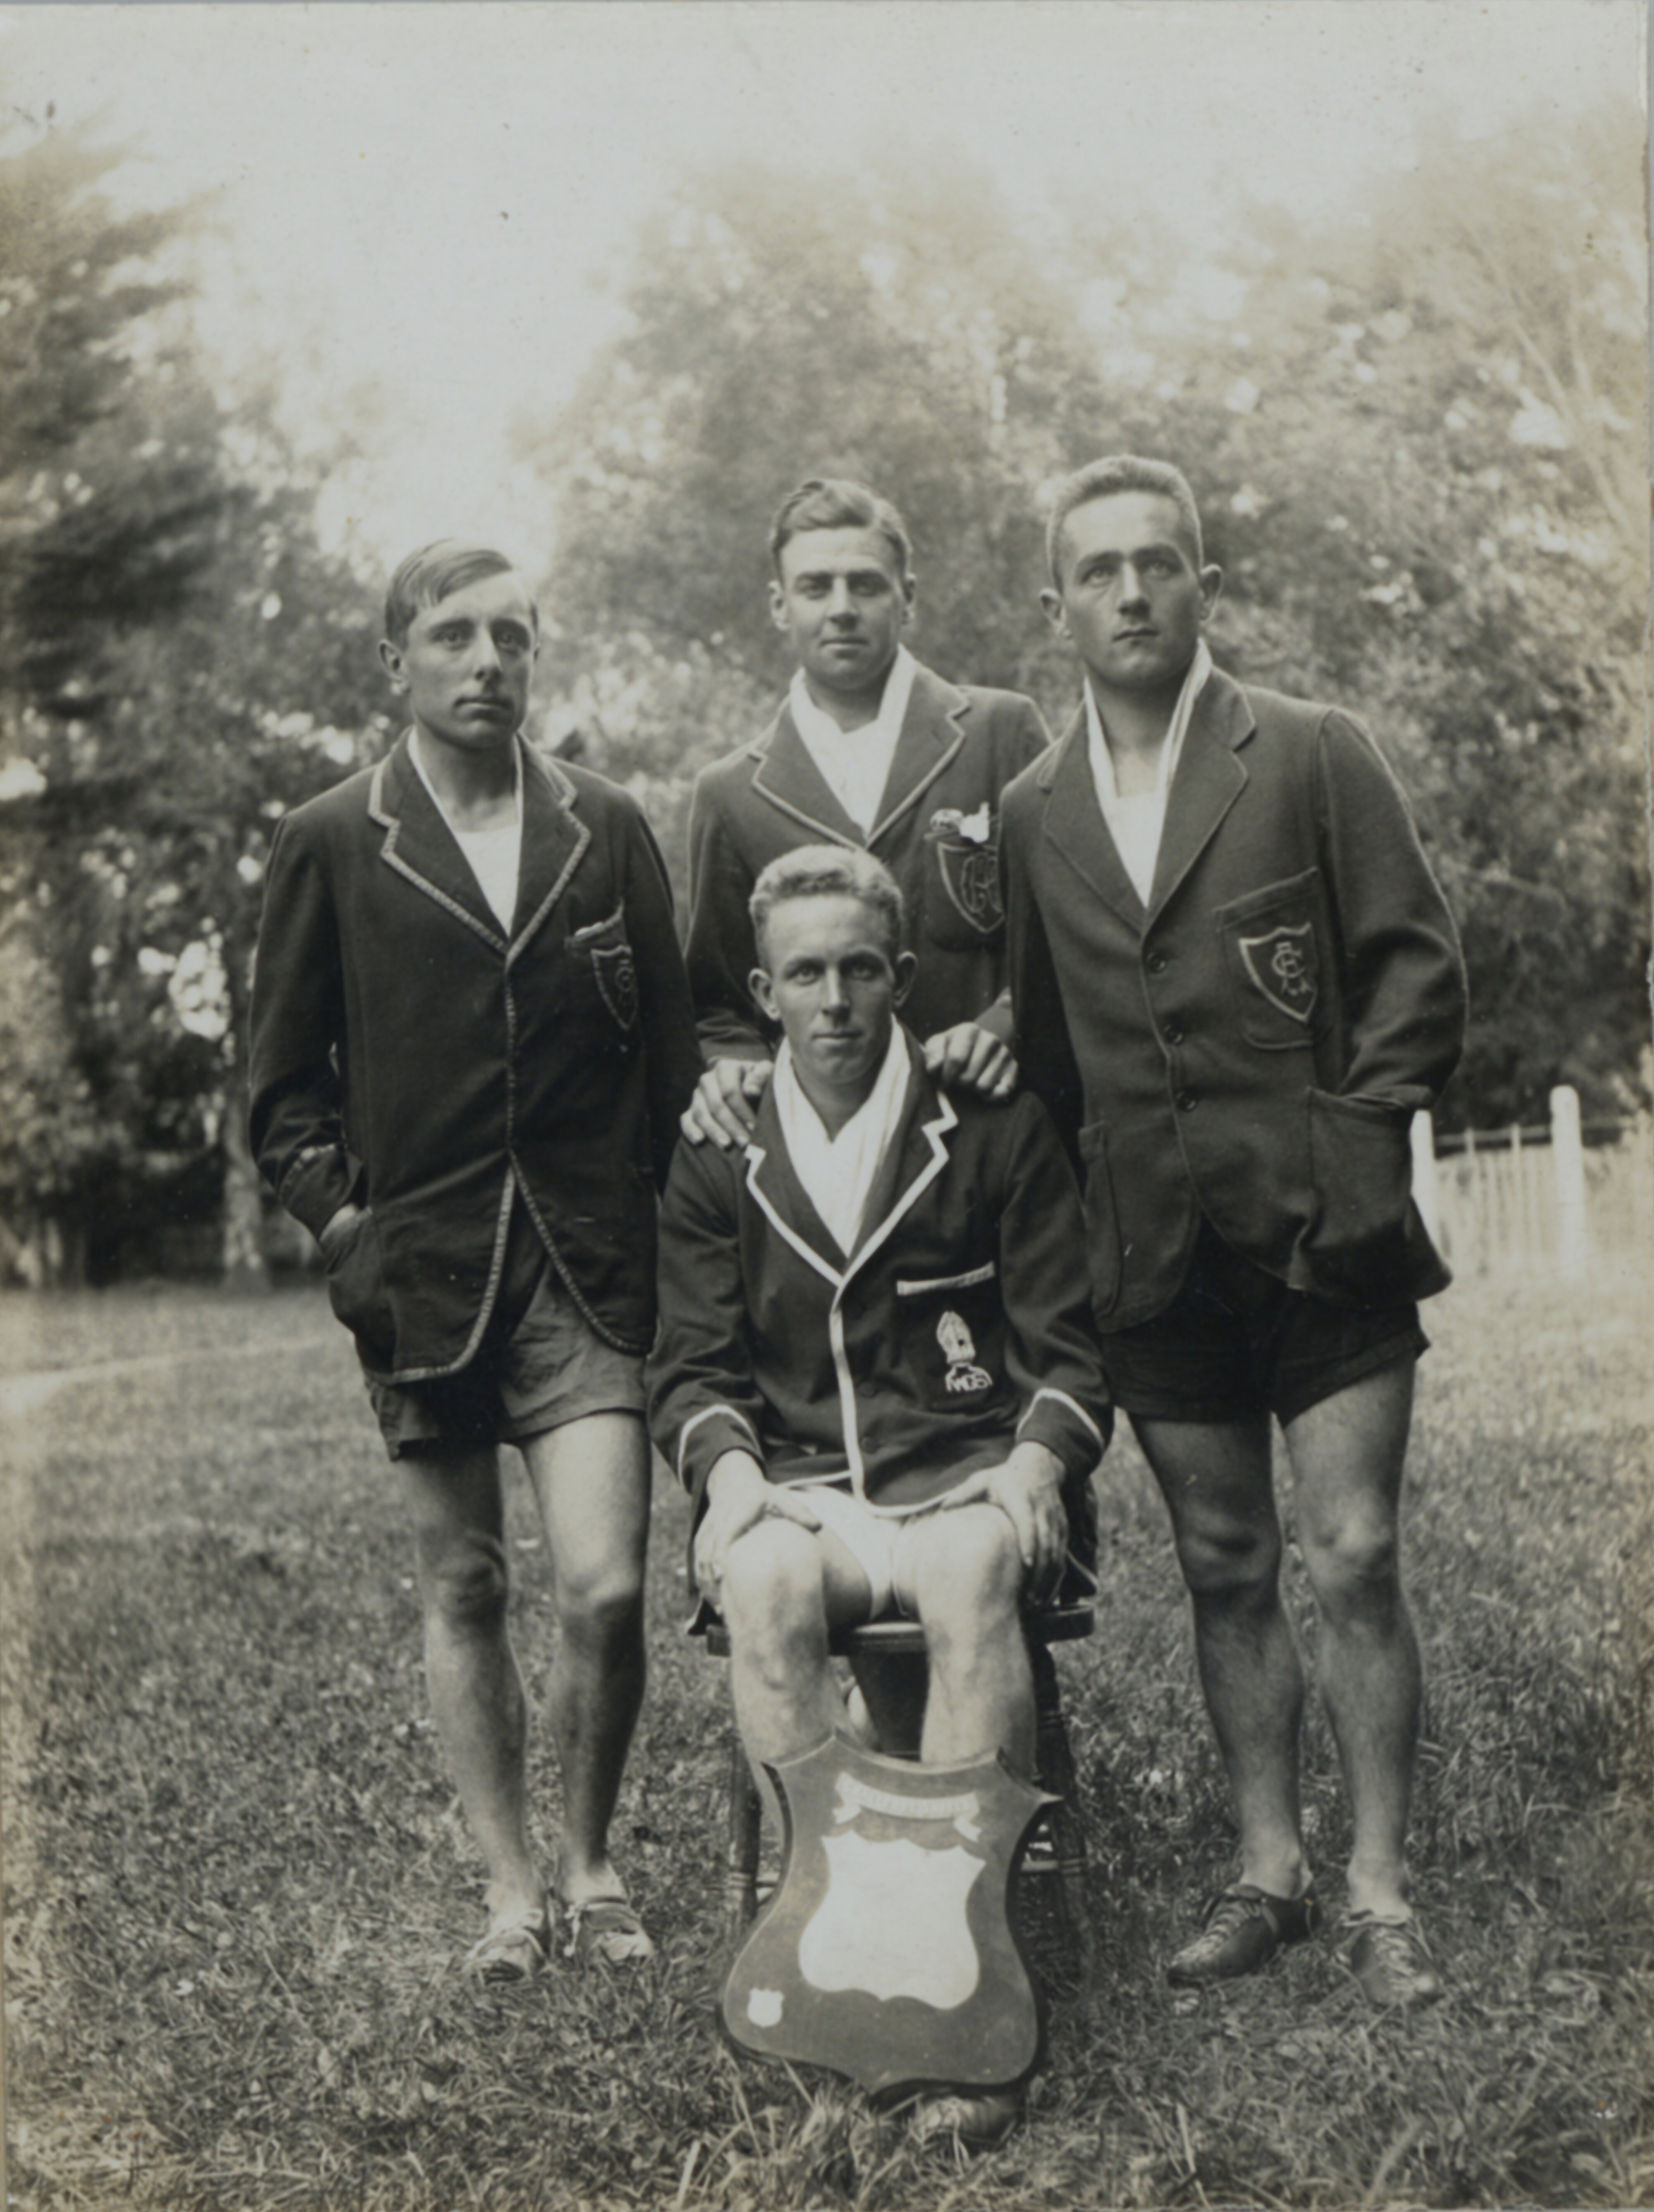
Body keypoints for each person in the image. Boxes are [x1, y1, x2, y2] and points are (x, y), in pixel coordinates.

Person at [1001, 457, 1466, 2009]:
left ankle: (1380, 1884)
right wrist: (1084, 1228)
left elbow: (1414, 970)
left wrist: (1354, 1149)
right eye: (1099, 569)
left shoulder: (1312, 752)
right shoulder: (1031, 809)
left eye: (1160, 562)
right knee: (1224, 1559)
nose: (1131, 591)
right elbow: (1050, 1053)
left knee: (1355, 1548)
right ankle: (1268, 1869)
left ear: (1205, 581)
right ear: (1055, 601)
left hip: (1327, 1232)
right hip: (1154, 1255)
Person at [249, 541, 703, 1978]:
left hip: (586, 1262)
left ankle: (592, 1859)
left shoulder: (607, 822)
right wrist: (345, 1228)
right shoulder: (334, 835)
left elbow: (676, 1062)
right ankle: (511, 1890)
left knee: (606, 1586)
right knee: (461, 1585)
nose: (487, 659)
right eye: (453, 633)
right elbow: (278, 1092)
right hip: (423, 1271)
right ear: (397, 660)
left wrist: (668, 1221)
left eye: (512, 633)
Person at [648, 845, 1109, 2143]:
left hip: (964, 1479)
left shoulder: (991, 1116)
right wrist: (732, 1481)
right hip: (812, 1495)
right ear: (765, 989)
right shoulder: (720, 1145)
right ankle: (832, 1945)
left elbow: (1067, 1351)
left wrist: (1033, 1465)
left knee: (968, 1572)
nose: (837, 997)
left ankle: (958, 1975)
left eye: (861, 967)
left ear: (903, 975)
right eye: (807, 972)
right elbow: (690, 1367)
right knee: (764, 1576)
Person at [681, 477, 1050, 1149]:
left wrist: (1003, 1028)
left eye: (868, 585)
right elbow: (719, 1005)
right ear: (779, 605)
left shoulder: (1002, 732)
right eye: (816, 587)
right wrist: (744, 1077)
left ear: (907, 597)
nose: (842, 609)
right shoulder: (730, 792)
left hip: (995, 1134)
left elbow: (1066, 935)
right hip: (828, 1153)